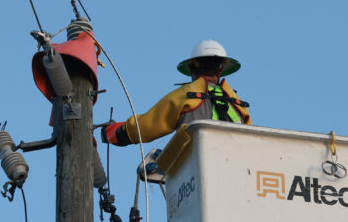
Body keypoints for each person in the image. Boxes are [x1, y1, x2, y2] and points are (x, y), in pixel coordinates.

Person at [102, 40, 250, 146]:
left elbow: (147, 126)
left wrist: (115, 132)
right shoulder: (239, 105)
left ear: (192, 69)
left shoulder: (186, 95)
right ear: (220, 70)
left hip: (196, 169)